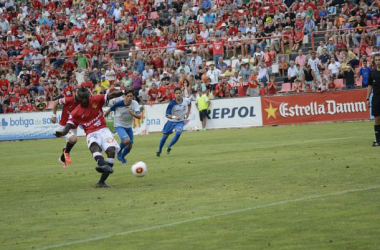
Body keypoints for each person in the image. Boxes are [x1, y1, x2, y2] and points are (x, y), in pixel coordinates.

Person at [55, 87, 125, 188]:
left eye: (86, 98)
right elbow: (68, 126)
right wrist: (61, 133)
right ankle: (102, 164)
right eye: (82, 98)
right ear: (78, 98)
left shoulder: (96, 99)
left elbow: (112, 95)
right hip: (91, 133)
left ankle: (101, 182)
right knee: (94, 147)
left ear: (88, 96)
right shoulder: (76, 112)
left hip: (104, 130)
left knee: (111, 151)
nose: (84, 100)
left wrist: (123, 91)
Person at [104, 90, 141, 164]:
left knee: (130, 146)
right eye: (128, 96)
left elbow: (139, 116)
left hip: (128, 126)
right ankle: (118, 152)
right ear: (124, 96)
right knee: (127, 140)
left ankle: (122, 157)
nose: (129, 98)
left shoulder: (135, 103)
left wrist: (132, 113)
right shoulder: (119, 103)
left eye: (131, 96)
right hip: (119, 125)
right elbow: (109, 110)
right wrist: (102, 118)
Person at [156, 87, 191, 157]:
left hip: (180, 122)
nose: (178, 95)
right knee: (165, 137)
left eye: (179, 93)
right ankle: (159, 150)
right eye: (176, 93)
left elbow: (190, 104)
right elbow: (167, 115)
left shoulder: (186, 100)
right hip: (171, 122)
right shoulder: (172, 103)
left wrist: (188, 112)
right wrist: (175, 117)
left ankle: (169, 146)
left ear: (181, 93)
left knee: (178, 133)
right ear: (174, 94)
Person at [51, 88, 80, 168]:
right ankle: (65, 155)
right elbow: (56, 102)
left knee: (68, 145)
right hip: (64, 126)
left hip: (74, 127)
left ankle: (62, 159)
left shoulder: (82, 103)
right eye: (76, 92)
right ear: (73, 93)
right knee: (73, 139)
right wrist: (54, 116)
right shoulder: (68, 100)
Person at [366, 54, 380, 147]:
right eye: (377, 60)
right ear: (374, 61)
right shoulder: (372, 72)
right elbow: (370, 86)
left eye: (379, 59)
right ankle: (378, 140)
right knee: (377, 120)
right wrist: (367, 98)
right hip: (376, 99)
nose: (378, 61)